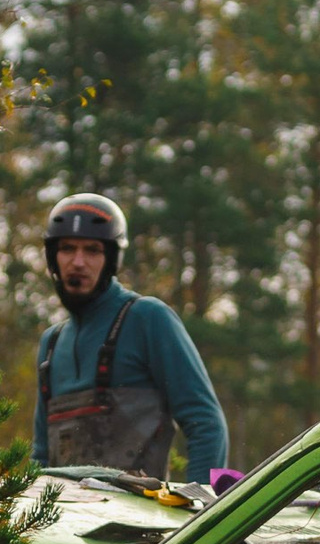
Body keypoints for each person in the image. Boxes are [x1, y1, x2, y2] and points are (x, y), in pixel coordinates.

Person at [33, 193, 228, 483]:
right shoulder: (51, 344)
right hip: (64, 525)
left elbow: (207, 426)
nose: (78, 261)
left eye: (92, 250)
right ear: (53, 257)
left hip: (140, 525)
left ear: (111, 259)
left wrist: (204, 513)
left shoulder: (148, 319)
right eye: (67, 248)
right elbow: (40, 456)